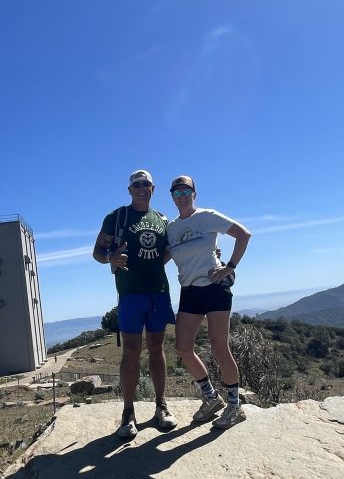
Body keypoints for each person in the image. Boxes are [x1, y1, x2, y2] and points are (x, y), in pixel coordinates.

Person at [93, 169, 178, 438]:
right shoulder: (116, 217)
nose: (142, 188)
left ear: (153, 189)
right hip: (130, 293)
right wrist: (111, 260)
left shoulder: (163, 219)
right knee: (131, 350)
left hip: (158, 291)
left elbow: (167, 251)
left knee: (156, 347)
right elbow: (97, 252)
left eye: (147, 184)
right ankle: (128, 413)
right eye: (137, 184)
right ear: (130, 190)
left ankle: (160, 406)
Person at [166, 175, 251, 429]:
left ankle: (235, 406)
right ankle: (212, 398)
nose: (182, 196)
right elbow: (161, 257)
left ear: (195, 194)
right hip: (189, 290)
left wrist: (230, 267)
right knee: (183, 347)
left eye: (186, 191)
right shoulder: (170, 228)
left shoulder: (207, 216)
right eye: (177, 192)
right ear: (172, 196)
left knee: (219, 347)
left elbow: (243, 235)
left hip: (215, 288)